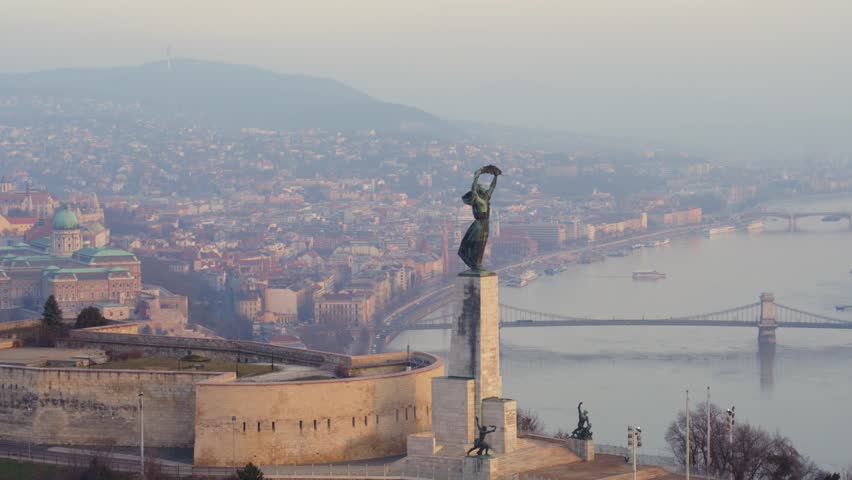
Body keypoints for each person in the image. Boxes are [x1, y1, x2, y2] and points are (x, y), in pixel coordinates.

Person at [458, 166, 501, 271]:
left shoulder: (486, 198)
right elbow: (473, 189)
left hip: (485, 224)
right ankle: (475, 263)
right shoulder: (478, 200)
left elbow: (492, 187)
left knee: (482, 244)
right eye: (480, 187)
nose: (483, 187)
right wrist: (475, 178)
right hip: (479, 224)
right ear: (478, 190)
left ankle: (477, 263)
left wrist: (496, 177)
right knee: (477, 243)